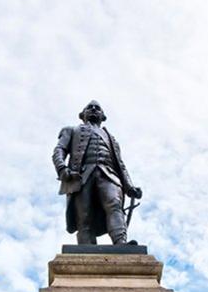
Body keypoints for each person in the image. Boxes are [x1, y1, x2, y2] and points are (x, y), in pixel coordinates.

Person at [52, 100, 142, 244]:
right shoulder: (71, 130)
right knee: (84, 215)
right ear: (82, 115)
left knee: (114, 205)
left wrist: (129, 186)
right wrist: (62, 169)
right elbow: (59, 150)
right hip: (81, 176)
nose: (93, 109)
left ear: (103, 116)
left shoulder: (111, 139)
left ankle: (121, 243)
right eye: (90, 107)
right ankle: (86, 249)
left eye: (97, 108)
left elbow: (120, 165)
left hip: (109, 175)